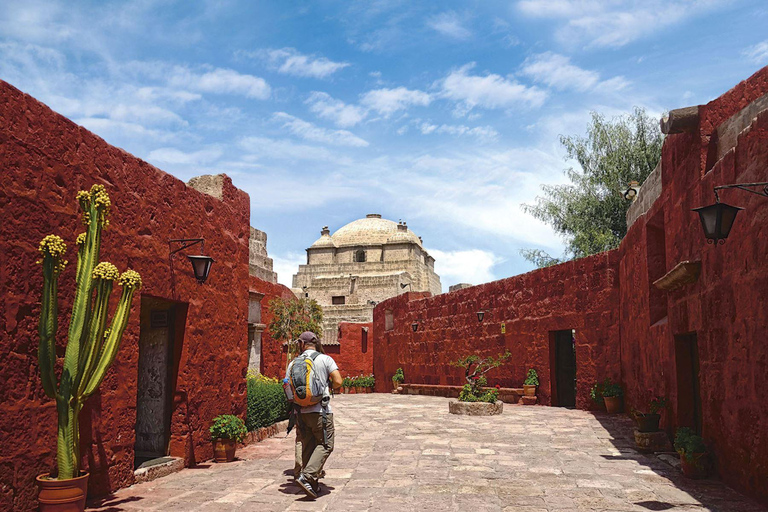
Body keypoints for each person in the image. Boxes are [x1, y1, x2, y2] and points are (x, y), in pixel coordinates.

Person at [285, 331, 342, 499]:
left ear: (302, 344)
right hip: (320, 411)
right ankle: (308, 476)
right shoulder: (325, 359)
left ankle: (312, 485)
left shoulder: (293, 363)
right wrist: (328, 384)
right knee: (325, 444)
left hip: (301, 413)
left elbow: (287, 385)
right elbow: (338, 381)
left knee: (308, 445)